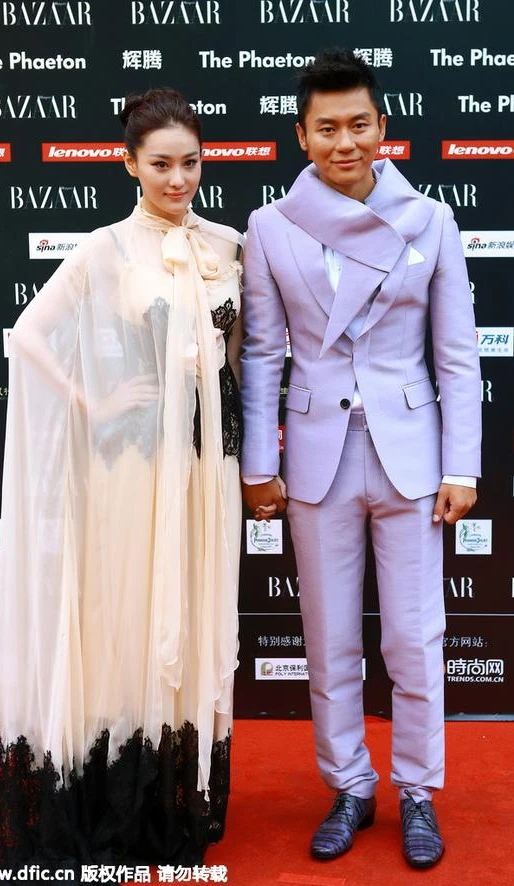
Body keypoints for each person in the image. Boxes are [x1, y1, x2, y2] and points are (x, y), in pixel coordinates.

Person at [0, 88, 243, 872]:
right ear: (130, 164)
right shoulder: (105, 249)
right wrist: (93, 399)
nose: (178, 179)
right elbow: (29, 335)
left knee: (194, 618)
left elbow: (236, 361)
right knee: (130, 624)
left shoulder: (228, 245)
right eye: (160, 164)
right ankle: (117, 800)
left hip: (207, 471)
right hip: (132, 471)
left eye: (190, 162)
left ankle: (171, 804)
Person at [241, 48, 481, 869]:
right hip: (318, 458)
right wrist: (258, 465)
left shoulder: (431, 220)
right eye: (326, 128)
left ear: (383, 126)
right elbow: (262, 356)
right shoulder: (271, 228)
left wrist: (461, 467)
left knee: (415, 638)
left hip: (410, 454)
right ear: (301, 135)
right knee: (330, 638)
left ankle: (417, 791)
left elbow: (457, 357)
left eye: (358, 125)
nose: (344, 142)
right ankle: (349, 785)